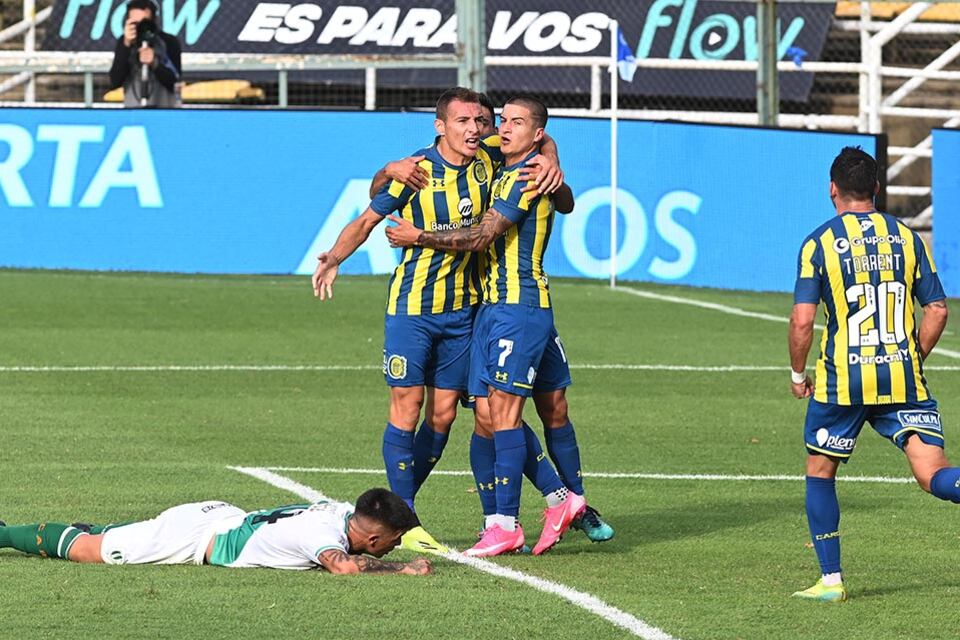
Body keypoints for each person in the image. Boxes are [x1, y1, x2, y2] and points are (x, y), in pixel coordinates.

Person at [311, 87, 561, 556]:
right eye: (464, 121)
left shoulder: (488, 157)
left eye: (481, 121)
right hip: (411, 311)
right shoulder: (417, 172)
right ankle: (404, 517)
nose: (475, 129)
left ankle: (401, 511)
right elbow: (368, 217)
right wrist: (335, 256)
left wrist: (550, 154)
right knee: (406, 407)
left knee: (445, 416)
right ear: (440, 125)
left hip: (464, 312)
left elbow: (534, 139)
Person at [376, 94, 614, 546]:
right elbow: (563, 199)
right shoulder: (495, 160)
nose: (500, 128)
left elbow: (483, 237)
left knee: (500, 414)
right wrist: (390, 168)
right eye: (500, 121)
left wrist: (417, 235)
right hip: (496, 308)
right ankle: (553, 504)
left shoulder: (522, 174)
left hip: (513, 307)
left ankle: (517, 519)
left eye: (514, 123)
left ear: (535, 132)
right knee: (512, 413)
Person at [789, 146, 953, 602]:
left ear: (833, 190)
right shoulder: (909, 237)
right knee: (931, 472)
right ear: (877, 188)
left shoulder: (819, 243)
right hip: (903, 375)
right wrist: (911, 356)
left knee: (821, 470)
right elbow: (937, 310)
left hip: (844, 379)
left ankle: (831, 580)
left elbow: (803, 321)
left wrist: (798, 373)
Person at [0, 488, 430, 575]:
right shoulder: (322, 537)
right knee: (89, 551)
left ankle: (105, 530)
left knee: (125, 533)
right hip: (195, 539)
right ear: (373, 541)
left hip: (221, 515)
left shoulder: (338, 511)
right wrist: (400, 571)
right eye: (394, 541)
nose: (395, 546)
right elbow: (345, 568)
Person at [108, 0, 182, 108]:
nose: (140, 28)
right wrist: (126, 46)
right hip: (134, 112)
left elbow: (175, 82)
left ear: (153, 21)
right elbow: (115, 81)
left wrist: (155, 63)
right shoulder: (125, 42)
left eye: (144, 23)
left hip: (164, 110)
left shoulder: (168, 42)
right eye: (135, 23)